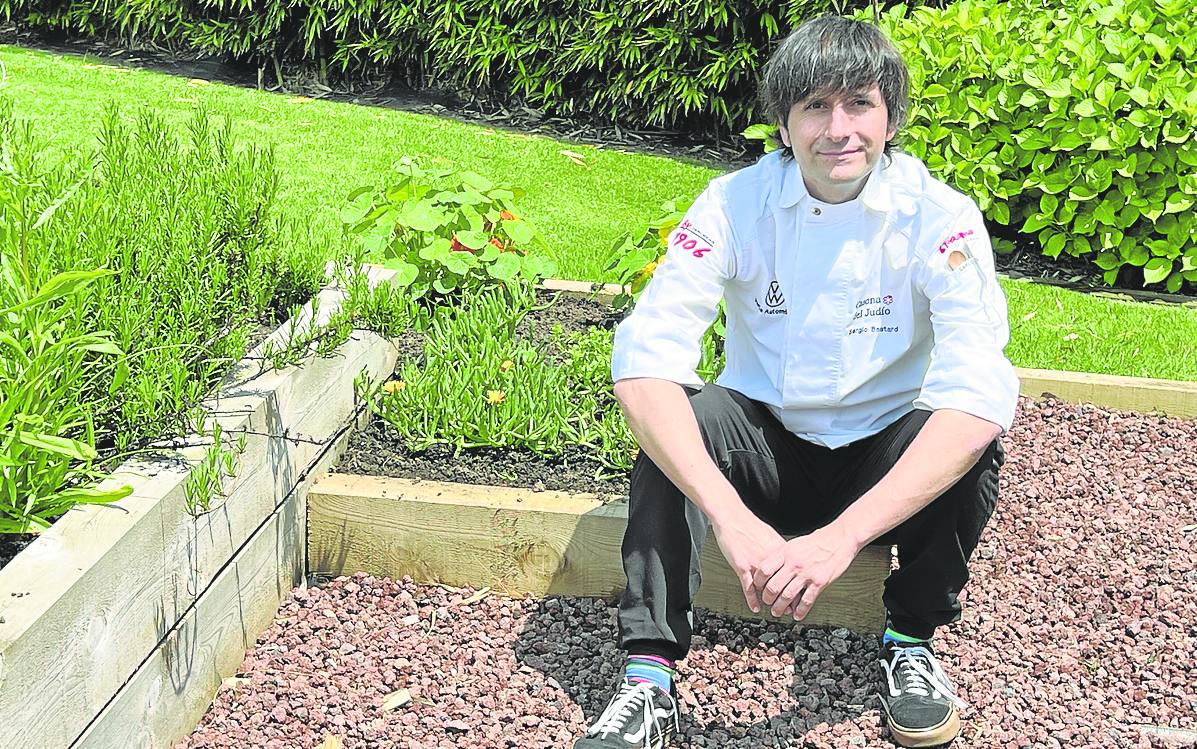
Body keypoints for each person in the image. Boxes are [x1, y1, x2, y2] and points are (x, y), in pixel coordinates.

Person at [573, 13, 1019, 749]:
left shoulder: (939, 218)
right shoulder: (730, 205)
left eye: (859, 104)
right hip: (764, 445)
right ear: (781, 124)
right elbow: (646, 355)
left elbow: (977, 391)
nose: (837, 129)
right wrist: (730, 516)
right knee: (676, 422)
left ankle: (909, 640)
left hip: (881, 451)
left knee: (967, 443)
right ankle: (648, 679)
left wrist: (839, 539)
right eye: (814, 105)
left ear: (891, 117)